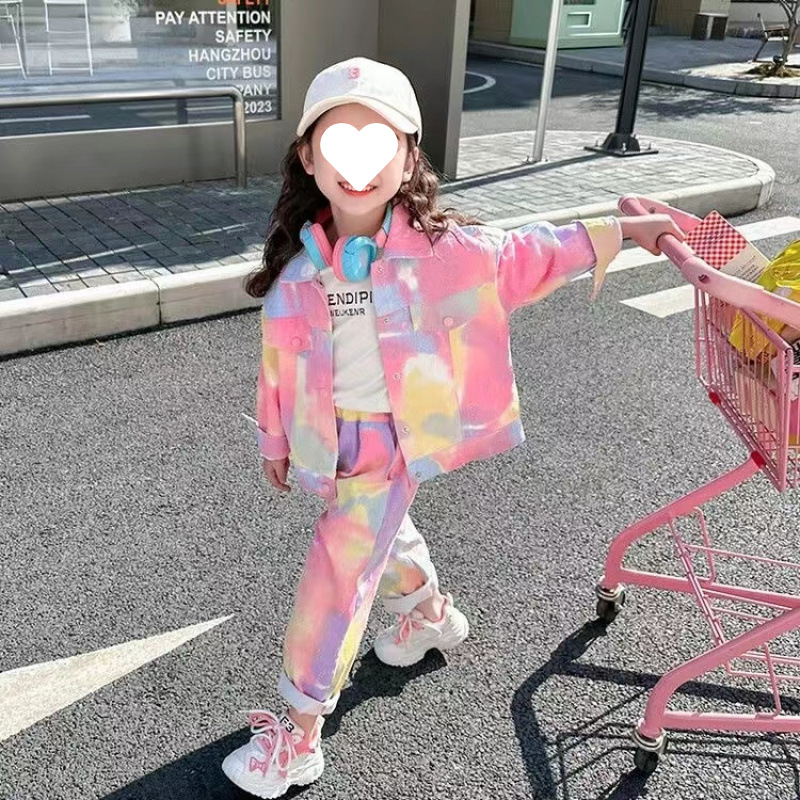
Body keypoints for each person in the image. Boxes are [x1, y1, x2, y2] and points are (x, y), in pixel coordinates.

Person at [222, 56, 685, 798]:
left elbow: (531, 253)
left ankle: (299, 731)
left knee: (338, 572)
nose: (358, 166)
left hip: (396, 441)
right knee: (380, 537)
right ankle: (429, 615)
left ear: (409, 157)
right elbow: (277, 365)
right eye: (338, 144)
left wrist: (624, 231)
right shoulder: (299, 266)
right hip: (330, 443)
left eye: (380, 144)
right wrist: (274, 440)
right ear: (308, 157)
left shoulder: (444, 252)